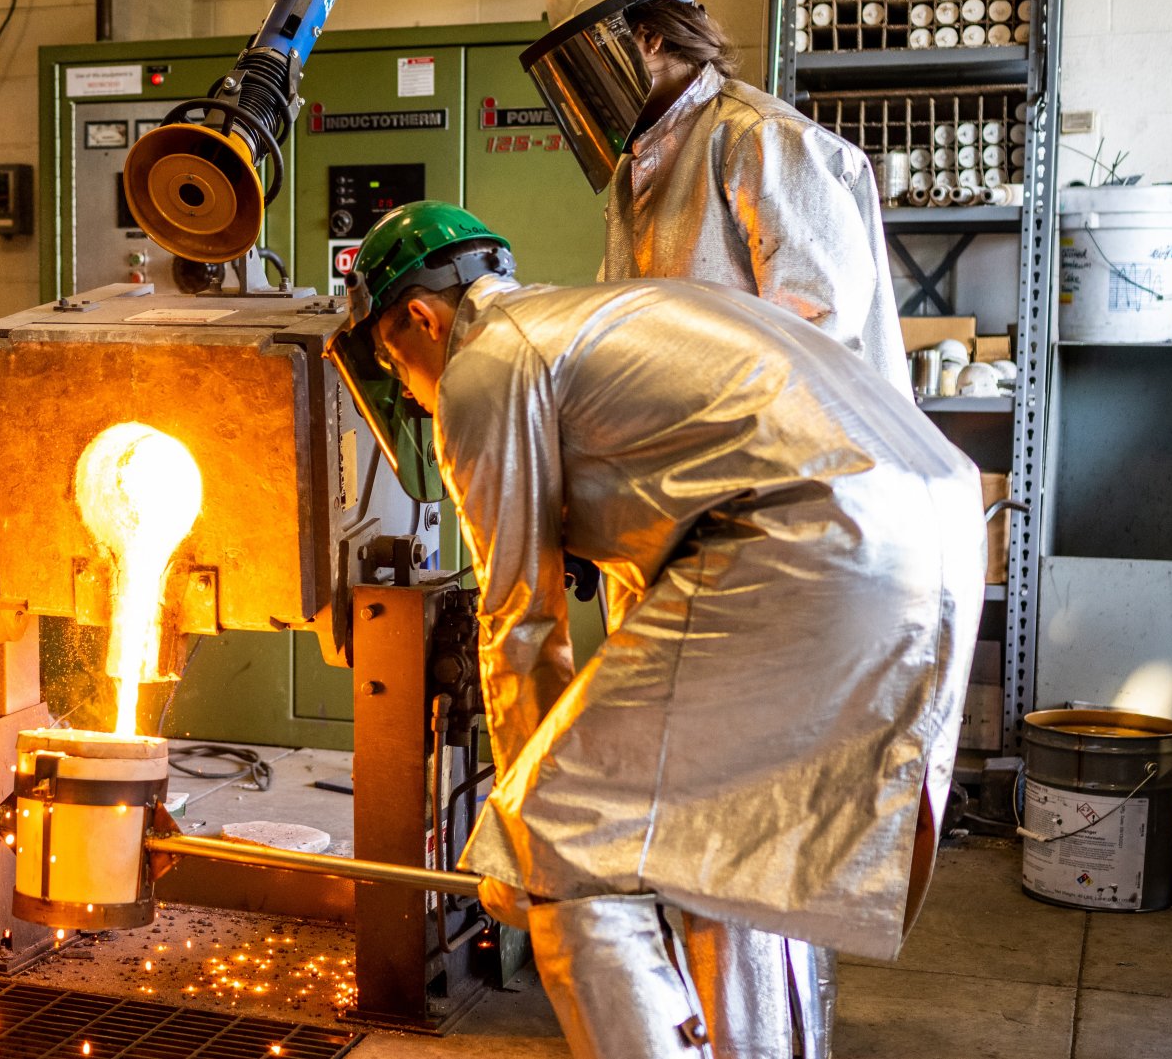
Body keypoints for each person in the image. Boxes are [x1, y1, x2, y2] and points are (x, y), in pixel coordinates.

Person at [329, 201, 979, 1059]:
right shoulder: (582, 324)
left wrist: (521, 830)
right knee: (712, 841)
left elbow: (521, 620)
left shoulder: (485, 362)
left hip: (811, 538)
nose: (409, 392)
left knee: (561, 842)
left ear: (420, 316)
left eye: (393, 363)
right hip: (932, 522)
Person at [523, 0, 910, 393]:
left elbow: (819, 349)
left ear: (649, 37)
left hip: (807, 447)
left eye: (588, 60)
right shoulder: (636, 168)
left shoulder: (762, 139)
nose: (585, 87)